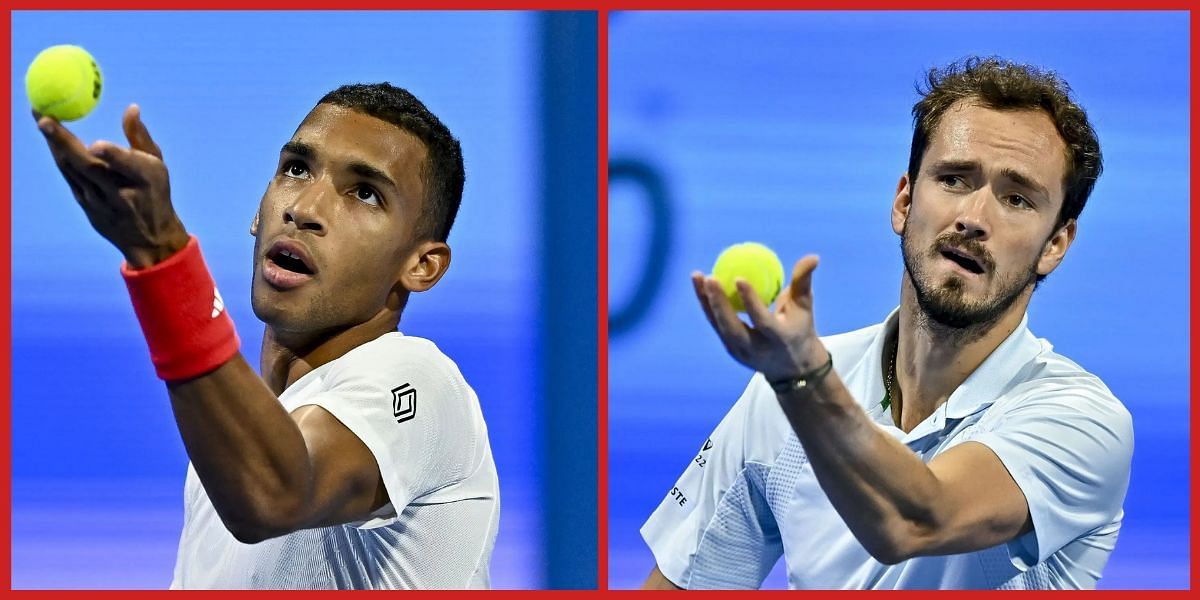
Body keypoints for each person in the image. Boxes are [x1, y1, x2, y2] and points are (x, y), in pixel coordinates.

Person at [640, 57, 1133, 590]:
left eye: (1016, 198)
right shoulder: (782, 397)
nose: (973, 217)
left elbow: (915, 521)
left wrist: (803, 382)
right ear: (903, 202)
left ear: (1054, 245)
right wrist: (796, 383)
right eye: (953, 179)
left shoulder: (1081, 420)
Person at [34, 83, 499, 589]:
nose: (304, 207)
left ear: (422, 265)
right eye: (297, 169)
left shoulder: (420, 381)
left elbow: (274, 492)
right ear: (258, 214)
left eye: (365, 193)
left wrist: (164, 256)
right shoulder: (227, 455)